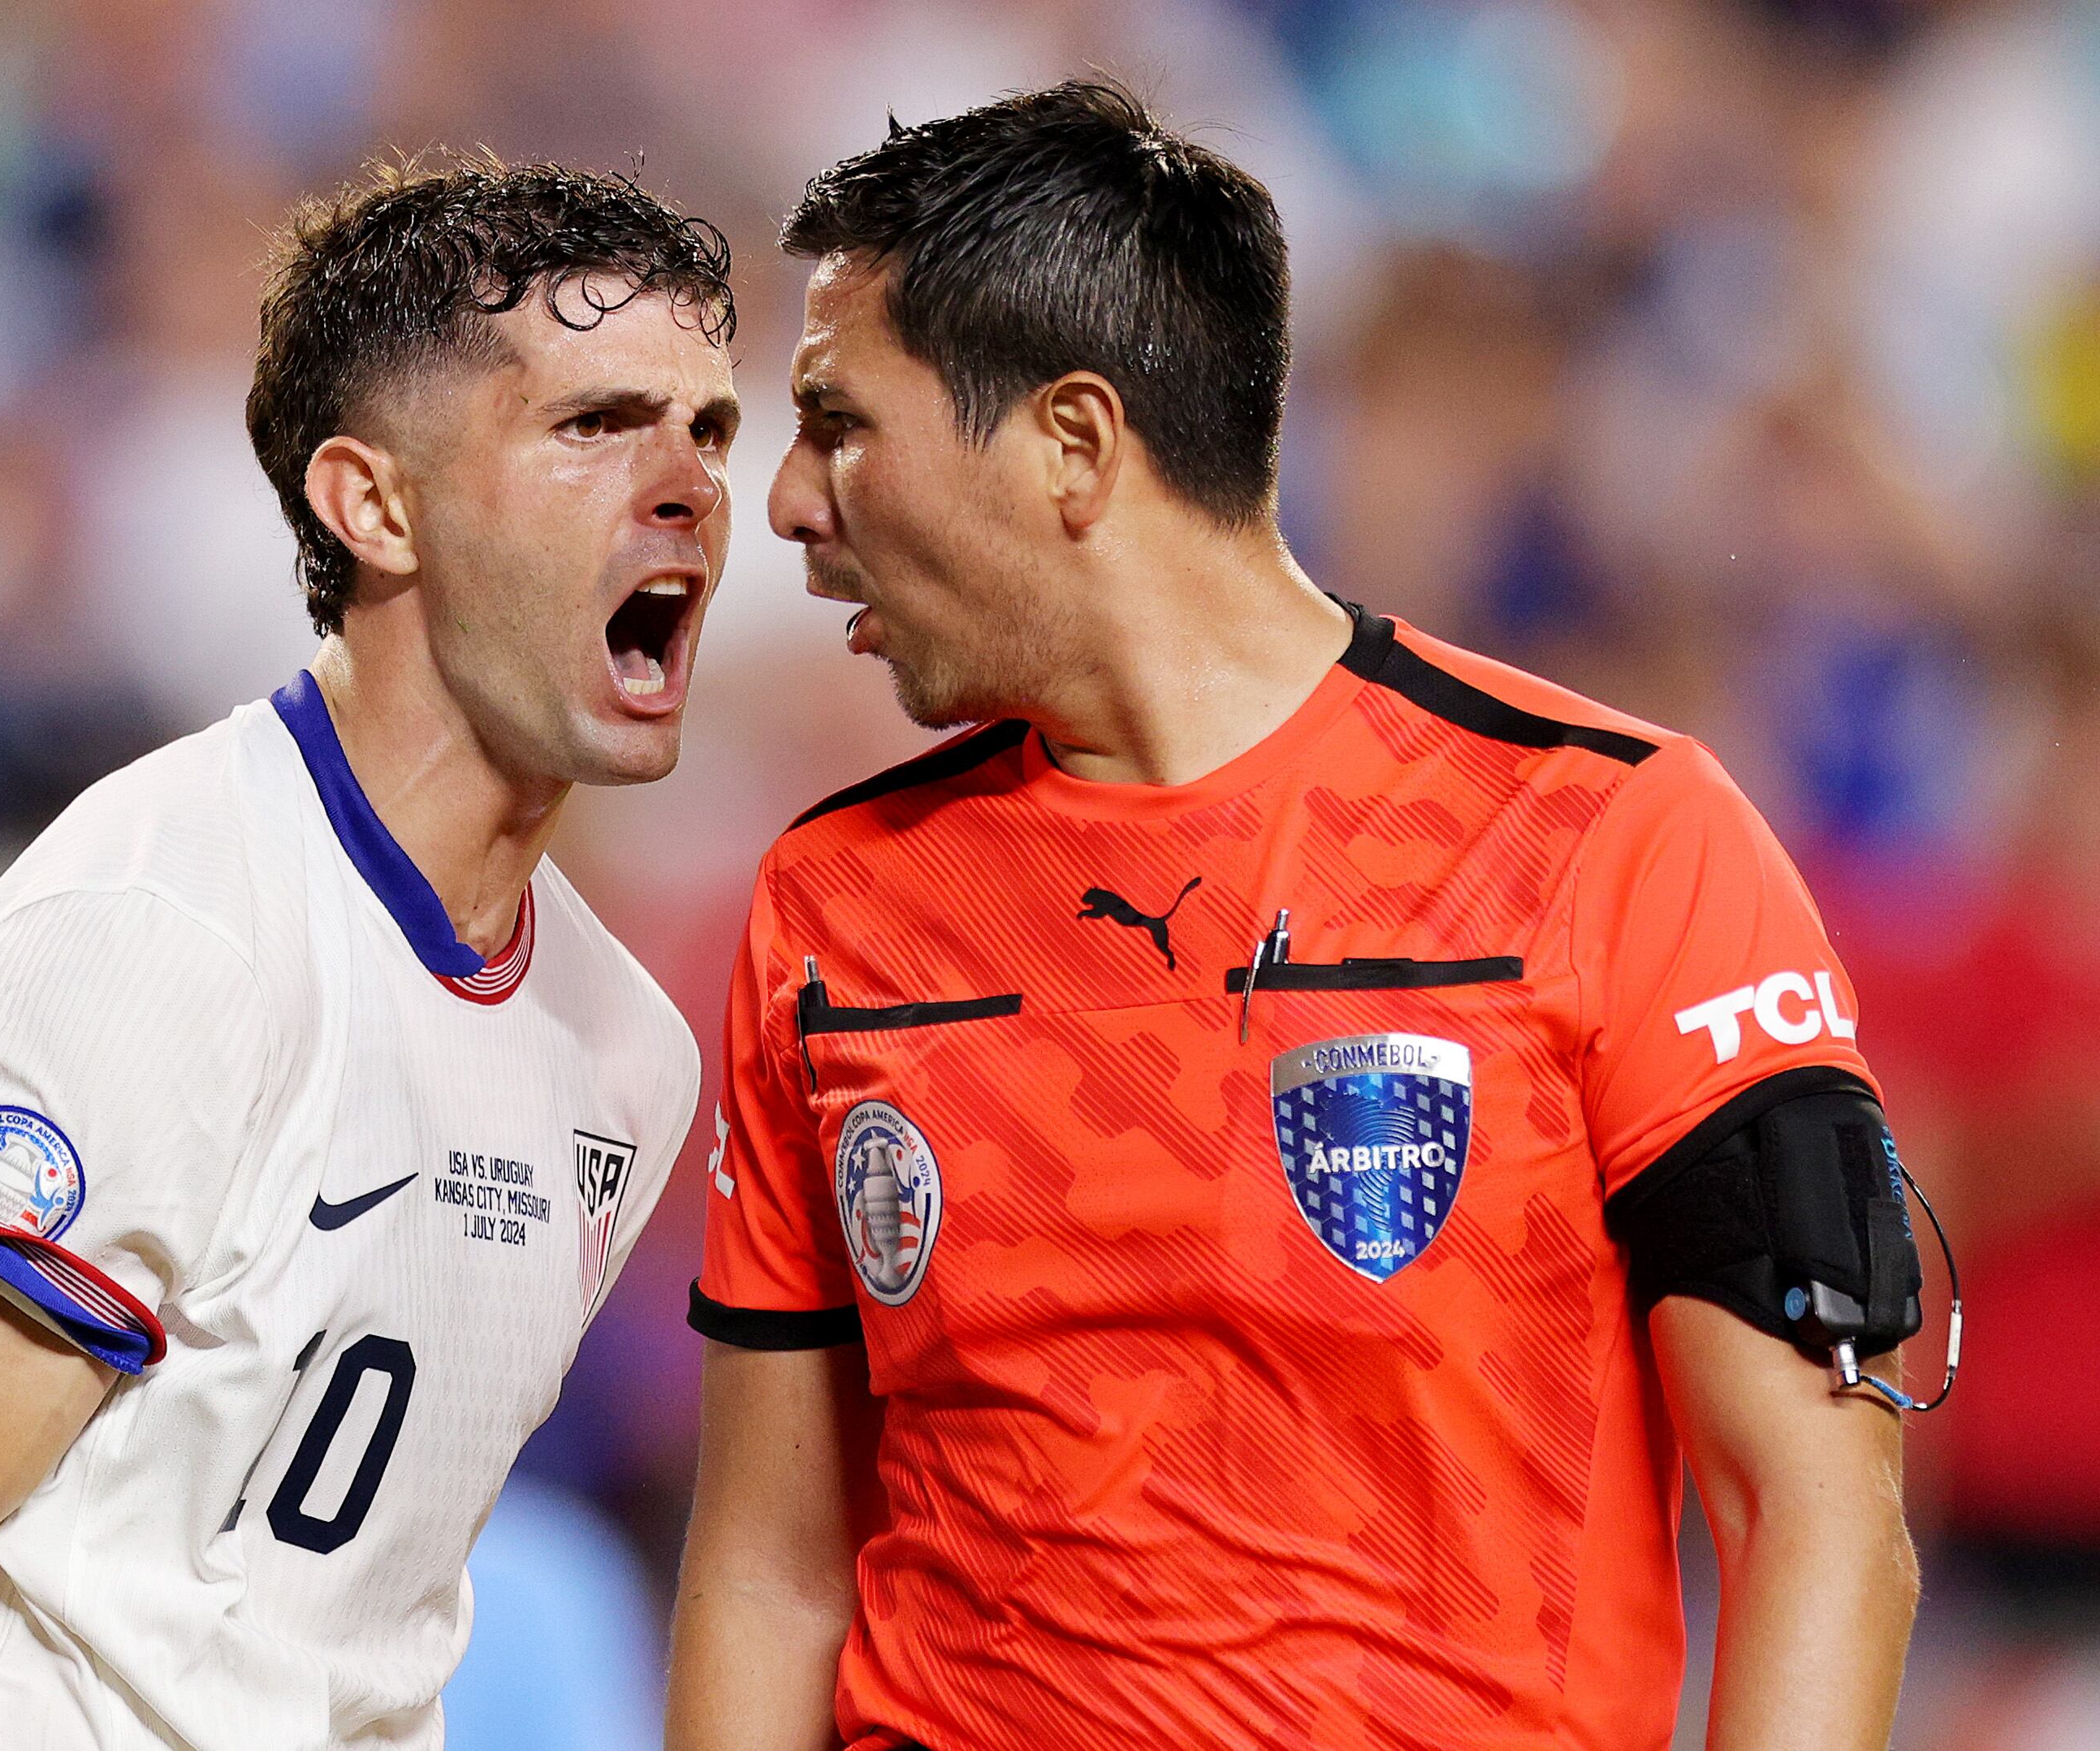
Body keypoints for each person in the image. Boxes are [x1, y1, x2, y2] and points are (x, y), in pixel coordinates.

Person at [668, 82, 1924, 1751]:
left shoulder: (1612, 839)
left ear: (1068, 443)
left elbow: (1815, 1516)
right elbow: (768, 1568)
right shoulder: (830, 902)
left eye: (838, 424)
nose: (788, 504)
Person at [0, 160, 737, 1750]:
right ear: (373, 504)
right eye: (592, 426)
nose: (687, 484)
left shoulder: (625, 1044)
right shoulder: (160, 925)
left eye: (708, 429)